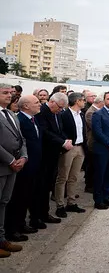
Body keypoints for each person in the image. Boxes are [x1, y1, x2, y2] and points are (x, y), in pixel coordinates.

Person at [6, 95, 41, 243]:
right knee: (18, 198)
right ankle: (13, 229)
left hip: (33, 164)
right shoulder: (19, 119)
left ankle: (21, 223)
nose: (40, 104)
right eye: (36, 102)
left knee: (27, 196)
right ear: (26, 106)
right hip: (23, 165)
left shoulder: (33, 119)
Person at [35, 93, 71, 224]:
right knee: (41, 186)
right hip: (44, 155)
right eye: (60, 107)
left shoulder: (57, 113)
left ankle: (44, 213)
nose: (61, 110)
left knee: (48, 185)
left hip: (54, 154)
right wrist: (62, 142)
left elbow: (59, 130)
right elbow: (45, 132)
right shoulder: (42, 112)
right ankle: (38, 215)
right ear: (52, 102)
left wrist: (65, 139)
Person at [0, 84, 28, 256]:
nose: (9, 95)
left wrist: (23, 157)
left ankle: (2, 239)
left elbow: (21, 138)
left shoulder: (11, 114)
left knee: (4, 202)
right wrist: (11, 160)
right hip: (3, 165)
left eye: (11, 93)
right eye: (5, 93)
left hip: (13, 167)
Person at [54, 92, 87, 218]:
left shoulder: (81, 115)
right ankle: (60, 205)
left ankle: (71, 202)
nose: (84, 102)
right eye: (83, 100)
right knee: (62, 177)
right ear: (77, 101)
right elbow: (60, 131)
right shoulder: (64, 114)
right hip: (69, 149)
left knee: (74, 177)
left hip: (80, 148)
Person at [83, 95, 104, 193]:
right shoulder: (90, 112)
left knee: (95, 165)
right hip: (93, 142)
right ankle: (89, 185)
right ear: (101, 102)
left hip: (99, 142)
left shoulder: (98, 111)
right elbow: (96, 127)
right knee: (91, 165)